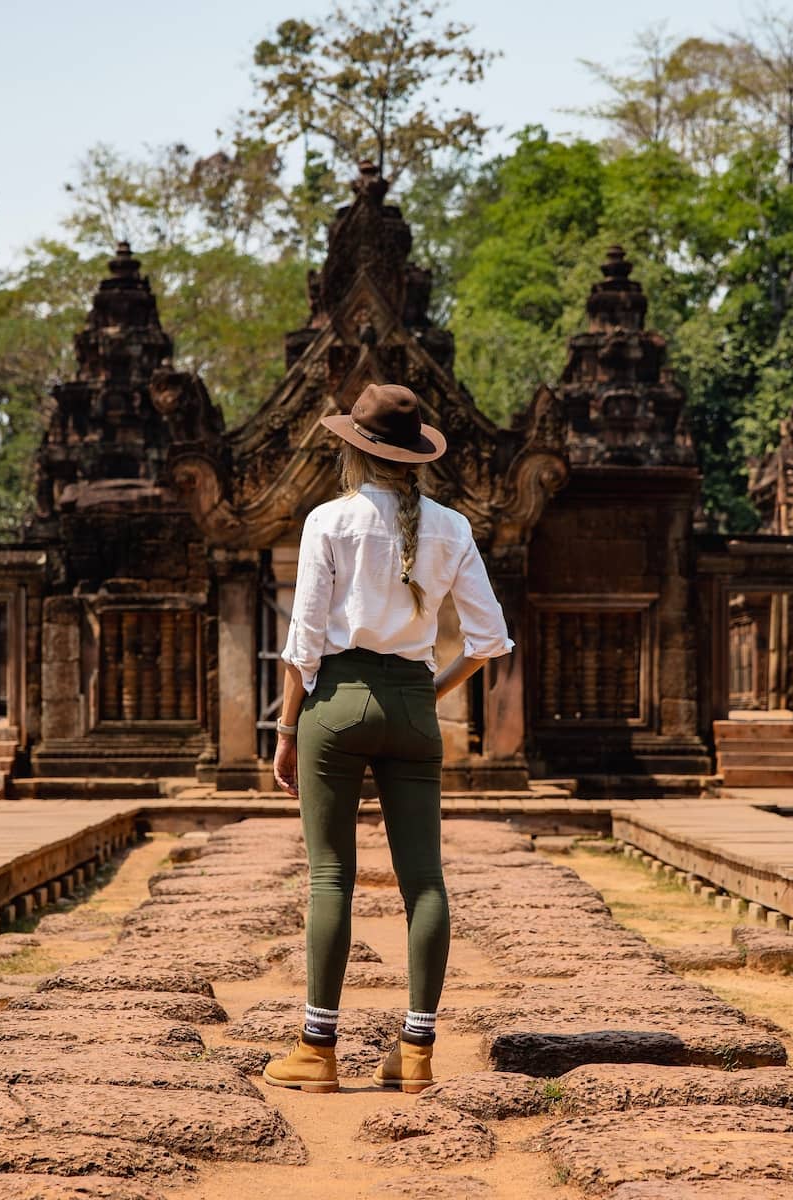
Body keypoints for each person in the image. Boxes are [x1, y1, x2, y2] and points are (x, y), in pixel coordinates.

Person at [263, 382, 513, 1095]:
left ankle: (316, 1049)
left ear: (354, 451)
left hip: (334, 702)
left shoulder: (329, 521)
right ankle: (416, 1051)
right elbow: (488, 640)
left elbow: (304, 642)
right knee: (423, 880)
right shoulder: (453, 528)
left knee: (329, 875)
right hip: (411, 703)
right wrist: (423, 694)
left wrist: (286, 731)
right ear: (417, 458)